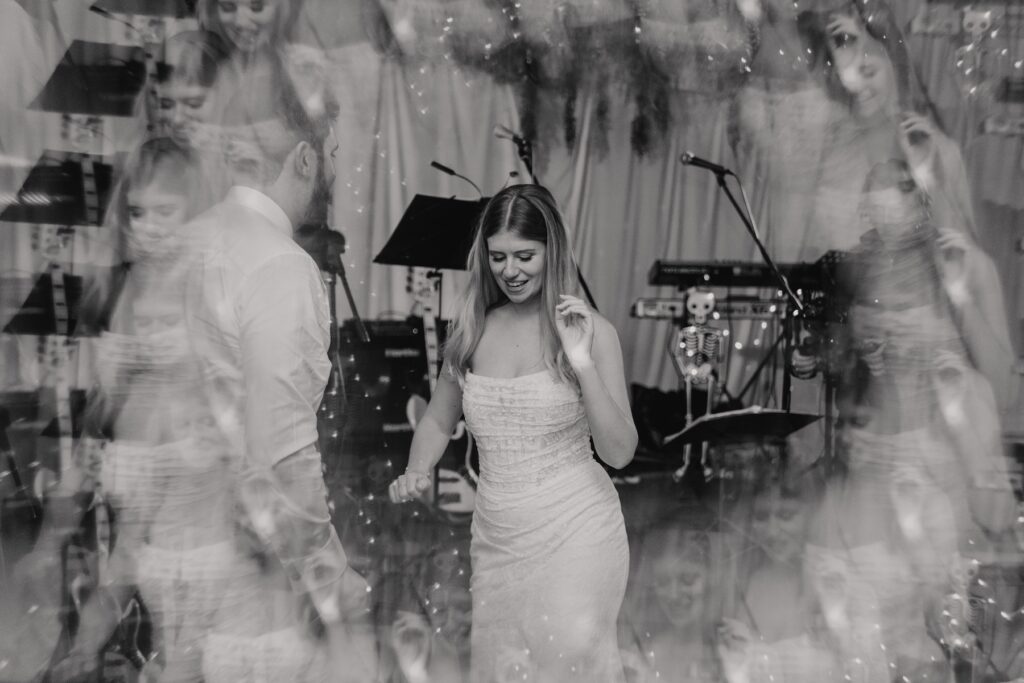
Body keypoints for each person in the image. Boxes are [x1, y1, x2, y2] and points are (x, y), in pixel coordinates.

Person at [389, 183, 637, 682]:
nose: (510, 271)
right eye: (498, 256)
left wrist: (581, 360)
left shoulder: (594, 331)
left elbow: (620, 452)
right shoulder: (472, 332)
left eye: (525, 255)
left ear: (553, 251)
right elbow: (439, 419)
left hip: (578, 530)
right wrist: (416, 469)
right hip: (497, 539)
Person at [178, 71, 374, 682]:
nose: (337, 172)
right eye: (335, 155)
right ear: (305, 158)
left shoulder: (185, 241)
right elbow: (284, 453)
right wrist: (331, 578)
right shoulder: (281, 269)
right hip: (255, 566)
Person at [51, 137, 223, 682]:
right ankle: (95, 653)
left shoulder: (212, 279)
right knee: (129, 562)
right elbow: (109, 396)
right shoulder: (126, 287)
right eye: (138, 212)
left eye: (164, 212)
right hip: (148, 471)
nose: (147, 226)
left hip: (205, 487)